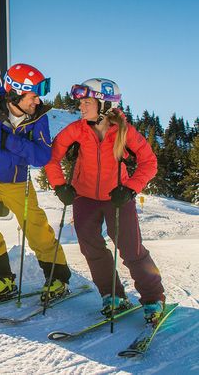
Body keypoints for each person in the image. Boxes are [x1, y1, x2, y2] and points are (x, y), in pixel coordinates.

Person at [45, 78, 165, 323]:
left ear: (104, 105)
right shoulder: (76, 130)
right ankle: (113, 296)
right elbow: (52, 158)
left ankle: (154, 298)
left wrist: (130, 188)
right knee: (92, 249)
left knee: (132, 251)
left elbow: (149, 162)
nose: (81, 107)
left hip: (117, 198)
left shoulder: (124, 132)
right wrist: (59, 186)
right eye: (81, 102)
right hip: (84, 198)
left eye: (87, 102)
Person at [0, 63, 72, 304]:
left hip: (17, 181)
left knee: (35, 226)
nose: (37, 101)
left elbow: (43, 156)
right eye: (33, 96)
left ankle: (58, 277)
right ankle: (0, 279)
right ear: (16, 93)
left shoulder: (39, 117)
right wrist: (24, 151)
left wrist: (10, 141)